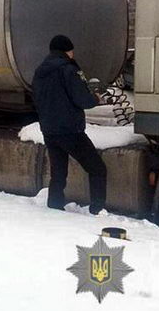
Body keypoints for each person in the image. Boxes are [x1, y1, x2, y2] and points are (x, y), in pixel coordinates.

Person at [31, 35, 108, 214]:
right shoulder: (68, 69)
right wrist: (96, 98)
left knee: (58, 172)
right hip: (70, 130)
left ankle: (54, 206)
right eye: (72, 50)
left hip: (49, 130)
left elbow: (36, 98)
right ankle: (97, 210)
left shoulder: (40, 71)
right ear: (67, 51)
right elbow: (82, 99)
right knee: (97, 168)